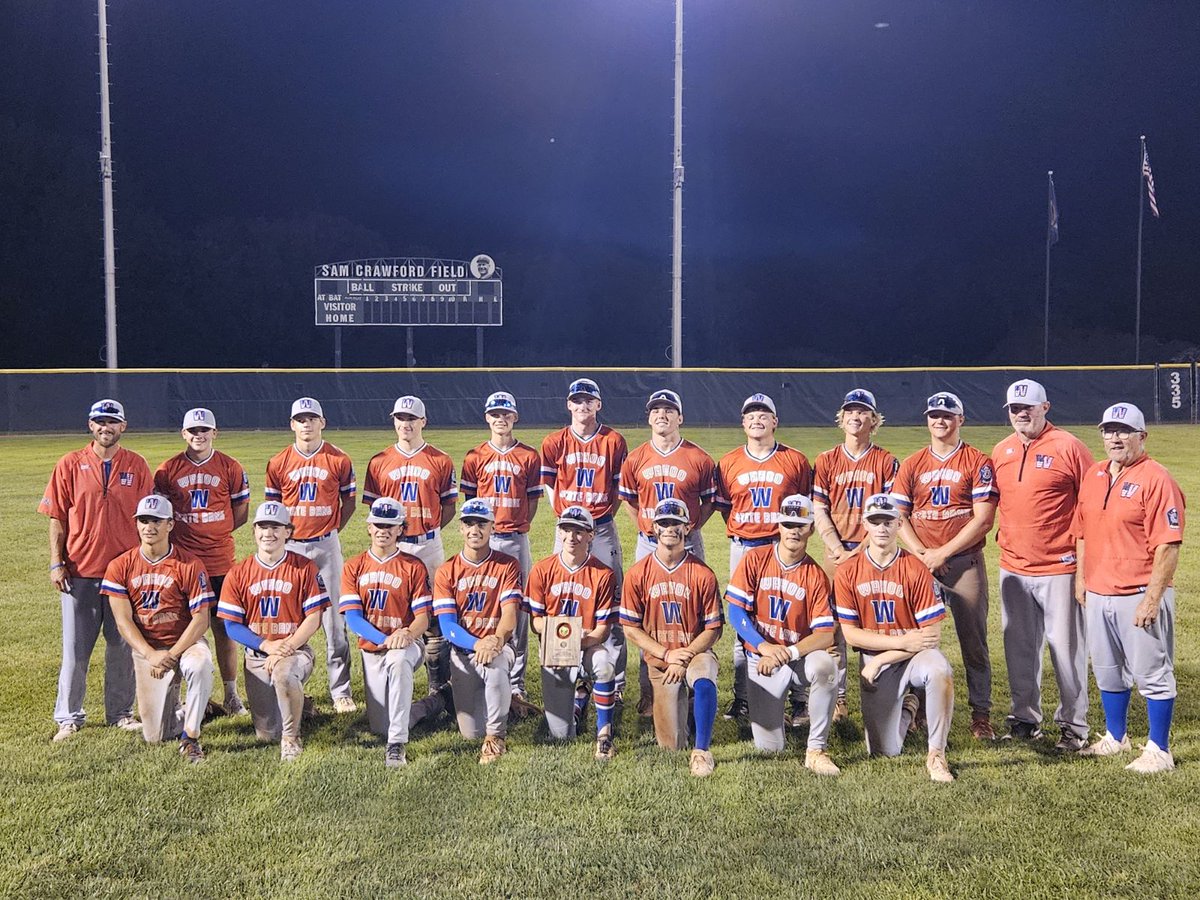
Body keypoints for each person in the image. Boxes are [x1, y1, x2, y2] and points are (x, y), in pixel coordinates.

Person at [1073, 403, 1184, 773]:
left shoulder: (1157, 478)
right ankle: (1116, 737)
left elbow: (1168, 545)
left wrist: (1152, 599)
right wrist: (1081, 578)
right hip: (1100, 592)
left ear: (1142, 436)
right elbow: (1083, 530)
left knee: (1152, 672)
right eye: (1108, 430)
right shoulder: (1094, 474)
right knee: (1106, 669)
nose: (1115, 437)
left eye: (1124, 431)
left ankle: (1159, 749)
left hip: (1139, 592)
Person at [40, 398, 153, 741]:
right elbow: (58, 516)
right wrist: (57, 562)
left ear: (123, 427)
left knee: (121, 646)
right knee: (76, 649)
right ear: (91, 426)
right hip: (81, 570)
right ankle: (69, 716)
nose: (106, 427)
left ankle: (120, 712)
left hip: (124, 573)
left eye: (112, 422)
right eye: (100, 422)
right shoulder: (70, 463)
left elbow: (148, 518)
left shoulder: (136, 464)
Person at [991, 379, 1093, 750]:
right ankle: (1023, 719)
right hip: (1013, 568)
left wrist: (1084, 567)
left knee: (1066, 650)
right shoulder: (1001, 450)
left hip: (1059, 566)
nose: (1021, 414)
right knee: (1018, 648)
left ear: (1045, 407)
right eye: (1014, 409)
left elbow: (1092, 504)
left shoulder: (1069, 447)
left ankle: (1074, 726)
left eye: (1028, 407)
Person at [892, 391, 999, 740]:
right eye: (934, 415)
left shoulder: (976, 460)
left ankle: (980, 714)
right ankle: (919, 706)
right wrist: (923, 553)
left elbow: (983, 520)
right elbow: (899, 516)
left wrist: (943, 552)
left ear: (960, 420)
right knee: (920, 640)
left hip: (964, 562)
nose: (940, 421)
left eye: (947, 415)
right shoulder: (912, 463)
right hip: (922, 565)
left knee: (974, 641)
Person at [835, 493, 956, 783]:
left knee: (940, 670)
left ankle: (937, 753)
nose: (882, 528)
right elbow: (851, 634)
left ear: (899, 523)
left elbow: (932, 634)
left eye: (888, 521)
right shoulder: (848, 571)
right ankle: (910, 707)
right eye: (875, 521)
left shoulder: (914, 567)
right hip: (882, 656)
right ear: (864, 523)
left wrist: (889, 655)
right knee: (883, 751)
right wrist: (898, 644)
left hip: (915, 656)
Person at [714, 393, 811, 723]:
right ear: (743, 422)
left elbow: (803, 508)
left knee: (793, 619)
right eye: (750, 414)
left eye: (763, 413)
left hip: (782, 546)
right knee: (743, 623)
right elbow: (726, 505)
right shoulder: (728, 462)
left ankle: (800, 699)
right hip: (743, 548)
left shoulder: (795, 460)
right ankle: (742, 698)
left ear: (775, 421)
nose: (757, 419)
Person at [619, 389, 717, 716]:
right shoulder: (635, 458)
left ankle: (692, 680)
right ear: (649, 417)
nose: (662, 415)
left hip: (689, 540)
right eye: (656, 410)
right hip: (649, 541)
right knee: (644, 614)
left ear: (680, 417)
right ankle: (650, 690)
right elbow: (629, 500)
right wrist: (646, 529)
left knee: (693, 611)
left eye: (669, 410)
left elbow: (709, 502)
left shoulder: (699, 458)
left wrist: (689, 529)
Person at [726, 494, 840, 775]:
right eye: (788, 523)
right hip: (763, 658)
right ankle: (781, 716)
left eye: (801, 524)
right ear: (779, 525)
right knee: (770, 748)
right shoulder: (756, 559)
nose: (794, 530)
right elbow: (736, 613)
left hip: (796, 657)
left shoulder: (814, 574)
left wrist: (787, 653)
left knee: (825, 667)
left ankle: (816, 749)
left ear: (811, 528)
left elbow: (826, 634)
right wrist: (763, 646)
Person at [100, 495, 215, 762]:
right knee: (155, 735)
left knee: (199, 666)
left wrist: (172, 654)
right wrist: (151, 654)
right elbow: (122, 621)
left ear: (170, 525)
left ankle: (191, 738)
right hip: (148, 648)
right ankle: (198, 708)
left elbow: (201, 620)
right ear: (137, 524)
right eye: (143, 520)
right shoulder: (120, 565)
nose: (149, 527)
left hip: (184, 643)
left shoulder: (189, 563)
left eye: (156, 521)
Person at [154, 407, 251, 716]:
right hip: (181, 564)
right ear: (184, 434)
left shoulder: (230, 467)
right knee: (179, 629)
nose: (199, 435)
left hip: (220, 562)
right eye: (193, 431)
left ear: (214, 433)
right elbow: (160, 517)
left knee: (224, 628)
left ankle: (231, 695)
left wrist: (214, 532)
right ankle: (178, 697)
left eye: (204, 430)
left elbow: (241, 512)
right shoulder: (167, 470)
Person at [811, 388, 899, 723]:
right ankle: (839, 699)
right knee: (833, 626)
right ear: (842, 418)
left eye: (862, 412)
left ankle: (882, 694)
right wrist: (837, 549)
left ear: (873, 420)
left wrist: (862, 549)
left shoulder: (886, 461)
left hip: (875, 552)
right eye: (849, 411)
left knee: (877, 621)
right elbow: (820, 508)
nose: (855, 417)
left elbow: (889, 514)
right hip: (836, 552)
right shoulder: (826, 459)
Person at [264, 397, 356, 713]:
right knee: (287, 618)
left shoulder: (338, 459)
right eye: (300, 419)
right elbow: (274, 512)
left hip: (326, 546)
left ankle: (340, 691)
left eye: (311, 418)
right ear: (292, 424)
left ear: (322, 422)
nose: (306, 424)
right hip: (290, 547)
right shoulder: (278, 462)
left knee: (334, 622)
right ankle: (288, 684)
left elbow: (349, 504)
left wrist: (330, 532)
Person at [218, 501, 330, 761]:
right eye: (263, 526)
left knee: (284, 674)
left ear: (288, 532)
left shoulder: (304, 567)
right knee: (266, 733)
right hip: (258, 656)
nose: (268, 533)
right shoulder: (239, 573)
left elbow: (314, 617)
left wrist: (286, 648)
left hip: (296, 650)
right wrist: (267, 646)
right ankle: (303, 705)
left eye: (275, 527)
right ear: (254, 531)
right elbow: (231, 625)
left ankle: (292, 738)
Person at [620, 498, 724, 777]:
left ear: (687, 528)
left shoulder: (702, 573)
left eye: (676, 523)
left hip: (694, 652)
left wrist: (684, 656)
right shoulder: (638, 573)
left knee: (703, 678)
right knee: (671, 745)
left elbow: (714, 629)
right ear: (653, 528)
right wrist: (667, 655)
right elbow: (630, 628)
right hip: (660, 660)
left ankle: (702, 751)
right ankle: (686, 706)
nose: (670, 529)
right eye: (664, 523)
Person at [362, 395, 458, 695]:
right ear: (394, 421)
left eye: (411, 418)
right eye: (400, 418)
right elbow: (373, 512)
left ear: (423, 422)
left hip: (427, 544)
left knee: (433, 612)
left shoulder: (440, 460)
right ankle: (390, 676)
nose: (405, 424)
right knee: (393, 607)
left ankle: (437, 684)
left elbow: (449, 507)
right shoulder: (379, 461)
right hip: (393, 547)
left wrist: (426, 531)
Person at [540, 378, 629, 697]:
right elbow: (550, 485)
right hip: (566, 528)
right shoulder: (554, 441)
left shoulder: (614, 440)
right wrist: (565, 518)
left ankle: (615, 681)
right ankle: (567, 673)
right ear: (569, 405)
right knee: (563, 596)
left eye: (588, 400)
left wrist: (602, 516)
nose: (582, 406)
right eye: (577, 401)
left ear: (598, 405)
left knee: (611, 599)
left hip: (602, 527)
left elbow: (618, 489)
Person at [339, 498, 441, 768]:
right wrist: (385, 639)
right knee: (381, 725)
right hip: (373, 646)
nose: (383, 530)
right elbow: (353, 618)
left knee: (398, 661)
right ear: (369, 527)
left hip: (407, 645)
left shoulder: (413, 565)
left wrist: (406, 634)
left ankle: (396, 745)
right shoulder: (354, 565)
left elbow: (423, 617)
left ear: (400, 529)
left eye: (390, 525)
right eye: (378, 524)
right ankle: (432, 703)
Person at [460, 391, 542, 717]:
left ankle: (517, 681)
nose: (500, 419)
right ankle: (480, 667)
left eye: (506, 414)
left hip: (514, 537)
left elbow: (533, 501)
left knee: (518, 610)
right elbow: (469, 505)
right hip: (484, 541)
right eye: (495, 414)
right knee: (481, 604)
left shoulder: (529, 456)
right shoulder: (474, 456)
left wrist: (517, 525)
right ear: (487, 418)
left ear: (515, 417)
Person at [432, 499, 524, 764]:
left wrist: (495, 639)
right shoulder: (447, 570)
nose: (475, 529)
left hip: (496, 647)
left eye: (481, 523)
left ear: (492, 527)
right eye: (469, 523)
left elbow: (509, 616)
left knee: (495, 665)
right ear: (460, 528)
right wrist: (477, 644)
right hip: (464, 652)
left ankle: (496, 737)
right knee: (471, 733)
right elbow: (448, 627)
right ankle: (448, 694)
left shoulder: (507, 565)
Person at [526, 506, 618, 759]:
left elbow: (602, 631)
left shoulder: (603, 574)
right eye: (566, 530)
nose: (571, 537)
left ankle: (604, 734)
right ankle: (579, 701)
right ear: (559, 532)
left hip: (587, 645)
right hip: (555, 650)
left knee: (604, 664)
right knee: (562, 736)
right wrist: (561, 633)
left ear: (591, 535)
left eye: (579, 531)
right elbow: (536, 622)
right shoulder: (542, 569)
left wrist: (580, 639)